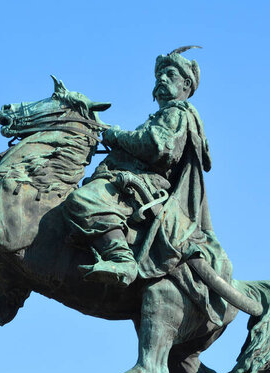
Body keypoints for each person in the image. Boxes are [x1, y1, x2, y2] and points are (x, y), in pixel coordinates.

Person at [64, 46, 233, 325]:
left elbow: (158, 147)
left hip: (148, 186)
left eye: (169, 74)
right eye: (158, 75)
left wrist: (116, 135)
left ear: (185, 84)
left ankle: (122, 261)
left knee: (83, 200)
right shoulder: (163, 115)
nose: (161, 79)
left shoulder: (178, 112)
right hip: (137, 180)